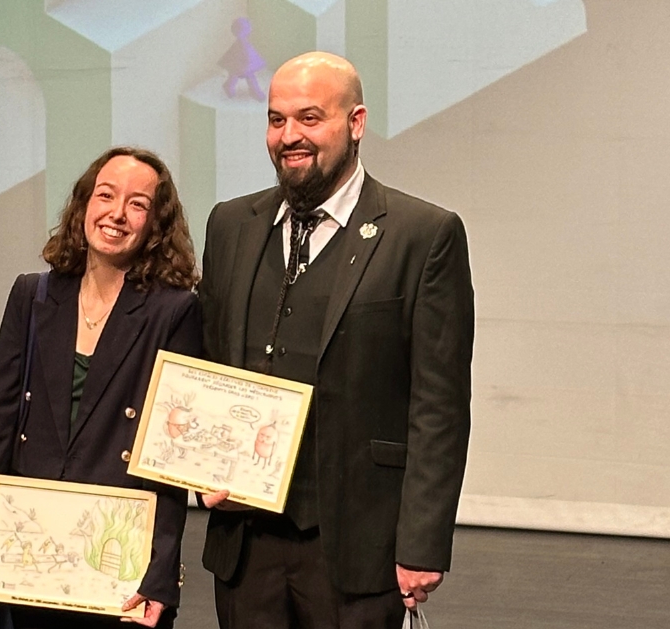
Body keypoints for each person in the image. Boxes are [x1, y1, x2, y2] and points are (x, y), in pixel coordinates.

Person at [197, 51, 474, 629]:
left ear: (356, 122)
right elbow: (210, 364)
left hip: (357, 544)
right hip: (246, 545)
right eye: (276, 120)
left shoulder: (422, 235)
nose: (289, 136)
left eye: (309, 118)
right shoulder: (230, 225)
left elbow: (438, 404)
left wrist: (421, 542)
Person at [0, 147, 203, 629]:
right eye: (105, 195)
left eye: (137, 204)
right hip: (26, 548)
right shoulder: (33, 294)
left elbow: (170, 456)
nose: (116, 213)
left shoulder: (175, 311)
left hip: (117, 562)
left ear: (156, 223)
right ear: (84, 204)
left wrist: (161, 572)